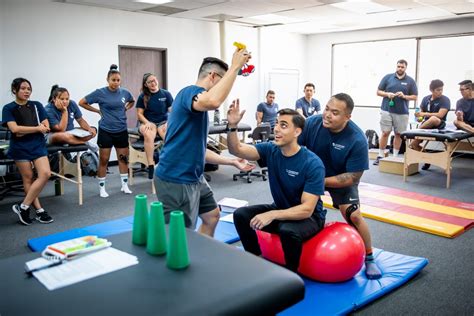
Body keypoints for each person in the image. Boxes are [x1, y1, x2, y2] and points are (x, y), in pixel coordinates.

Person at [155, 49, 251, 237]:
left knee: (212, 216)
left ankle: (198, 253)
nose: (225, 87)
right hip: (175, 178)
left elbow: (199, 150)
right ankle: (177, 262)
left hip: (195, 177)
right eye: (223, 81)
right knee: (179, 235)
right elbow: (214, 100)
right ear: (213, 77)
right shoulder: (188, 93)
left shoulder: (198, 109)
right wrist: (235, 67)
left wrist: (231, 161)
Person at [228, 105, 326, 272]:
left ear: (297, 132)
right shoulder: (271, 149)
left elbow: (307, 209)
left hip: (309, 218)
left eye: (284, 125)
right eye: (277, 124)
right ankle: (256, 261)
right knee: (241, 215)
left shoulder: (312, 163)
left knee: (286, 230)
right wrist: (232, 126)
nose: (276, 129)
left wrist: (272, 214)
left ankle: (291, 277)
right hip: (281, 209)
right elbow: (236, 149)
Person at [298, 93, 382, 279]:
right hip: (312, 173)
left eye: (334, 112)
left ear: (347, 117)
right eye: (327, 109)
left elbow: (353, 176)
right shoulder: (312, 123)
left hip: (340, 178)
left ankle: (369, 257)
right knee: (295, 207)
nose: (327, 115)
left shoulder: (357, 139)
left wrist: (319, 181)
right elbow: (294, 147)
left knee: (353, 214)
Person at [2, 78, 53, 225]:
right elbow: (14, 130)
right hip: (20, 147)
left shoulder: (36, 106)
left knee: (45, 174)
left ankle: (23, 206)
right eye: (23, 88)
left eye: (28, 89)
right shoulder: (8, 108)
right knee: (28, 178)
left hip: (37, 145)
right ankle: (39, 210)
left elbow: (46, 126)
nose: (26, 91)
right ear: (15, 90)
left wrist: (24, 130)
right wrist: (36, 128)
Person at [79, 64, 135, 198]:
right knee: (104, 160)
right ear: (107, 80)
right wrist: (97, 110)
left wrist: (126, 108)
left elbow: (132, 101)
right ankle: (102, 189)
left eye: (118, 80)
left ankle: (125, 185)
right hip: (106, 131)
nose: (116, 83)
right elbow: (82, 102)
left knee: (123, 159)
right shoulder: (100, 93)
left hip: (121, 130)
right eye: (113, 80)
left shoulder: (125, 93)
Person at [374, 59, 418, 165]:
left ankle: (394, 157)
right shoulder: (388, 77)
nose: (400, 68)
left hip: (402, 112)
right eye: (398, 66)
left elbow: (415, 96)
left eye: (402, 67)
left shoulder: (410, 81)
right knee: (385, 133)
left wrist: (404, 96)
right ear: (396, 66)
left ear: (406, 68)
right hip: (386, 110)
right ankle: (380, 155)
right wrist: (387, 94)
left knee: (398, 134)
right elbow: (378, 92)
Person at [136, 73, 174, 179]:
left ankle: (171, 162)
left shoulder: (166, 94)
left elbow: (173, 112)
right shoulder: (142, 96)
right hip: (148, 122)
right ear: (146, 84)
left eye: (154, 80)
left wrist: (168, 122)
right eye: (150, 82)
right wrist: (147, 122)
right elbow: (139, 114)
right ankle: (151, 165)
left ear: (157, 80)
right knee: (148, 134)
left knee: (166, 135)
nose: (153, 83)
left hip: (163, 122)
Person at [411, 80, 451, 170]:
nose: (440, 92)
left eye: (441, 90)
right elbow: (419, 112)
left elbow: (440, 115)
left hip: (438, 124)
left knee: (433, 118)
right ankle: (427, 160)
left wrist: (424, 114)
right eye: (438, 90)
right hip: (426, 125)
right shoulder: (426, 99)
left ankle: (415, 132)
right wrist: (418, 115)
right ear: (431, 90)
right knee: (413, 144)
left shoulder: (445, 99)